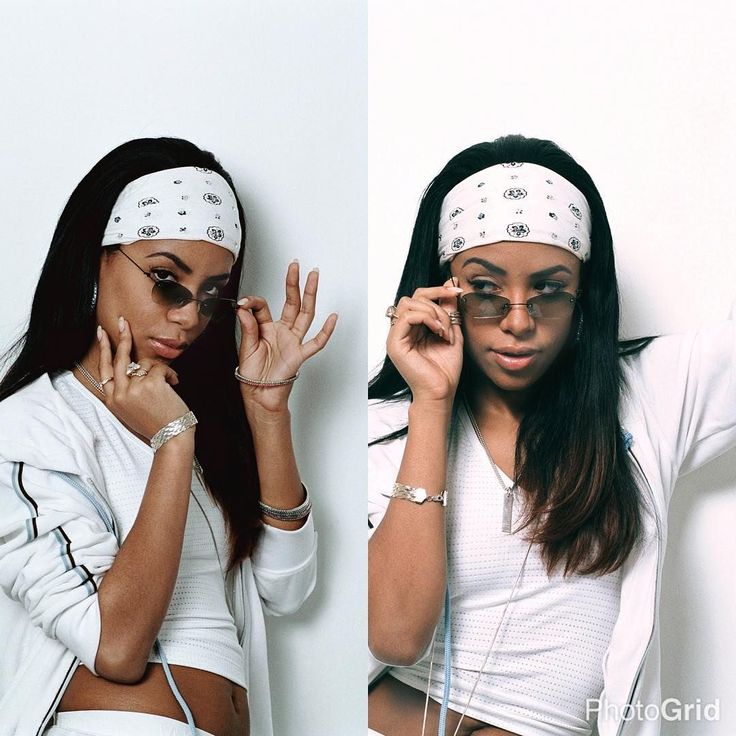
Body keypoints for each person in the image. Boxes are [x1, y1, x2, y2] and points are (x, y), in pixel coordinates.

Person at [367, 134, 735, 736]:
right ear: (442, 290)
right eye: (484, 289)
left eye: (548, 289)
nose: (517, 320)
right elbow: (396, 635)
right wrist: (431, 404)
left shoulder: (648, 395)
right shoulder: (386, 434)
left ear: (582, 297)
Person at [0, 137, 337, 736]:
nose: (189, 316)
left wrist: (267, 412)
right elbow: (116, 646)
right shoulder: (28, 429)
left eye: (210, 294)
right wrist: (172, 443)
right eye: (165, 280)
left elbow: (289, 590)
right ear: (93, 258)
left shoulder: (187, 416)